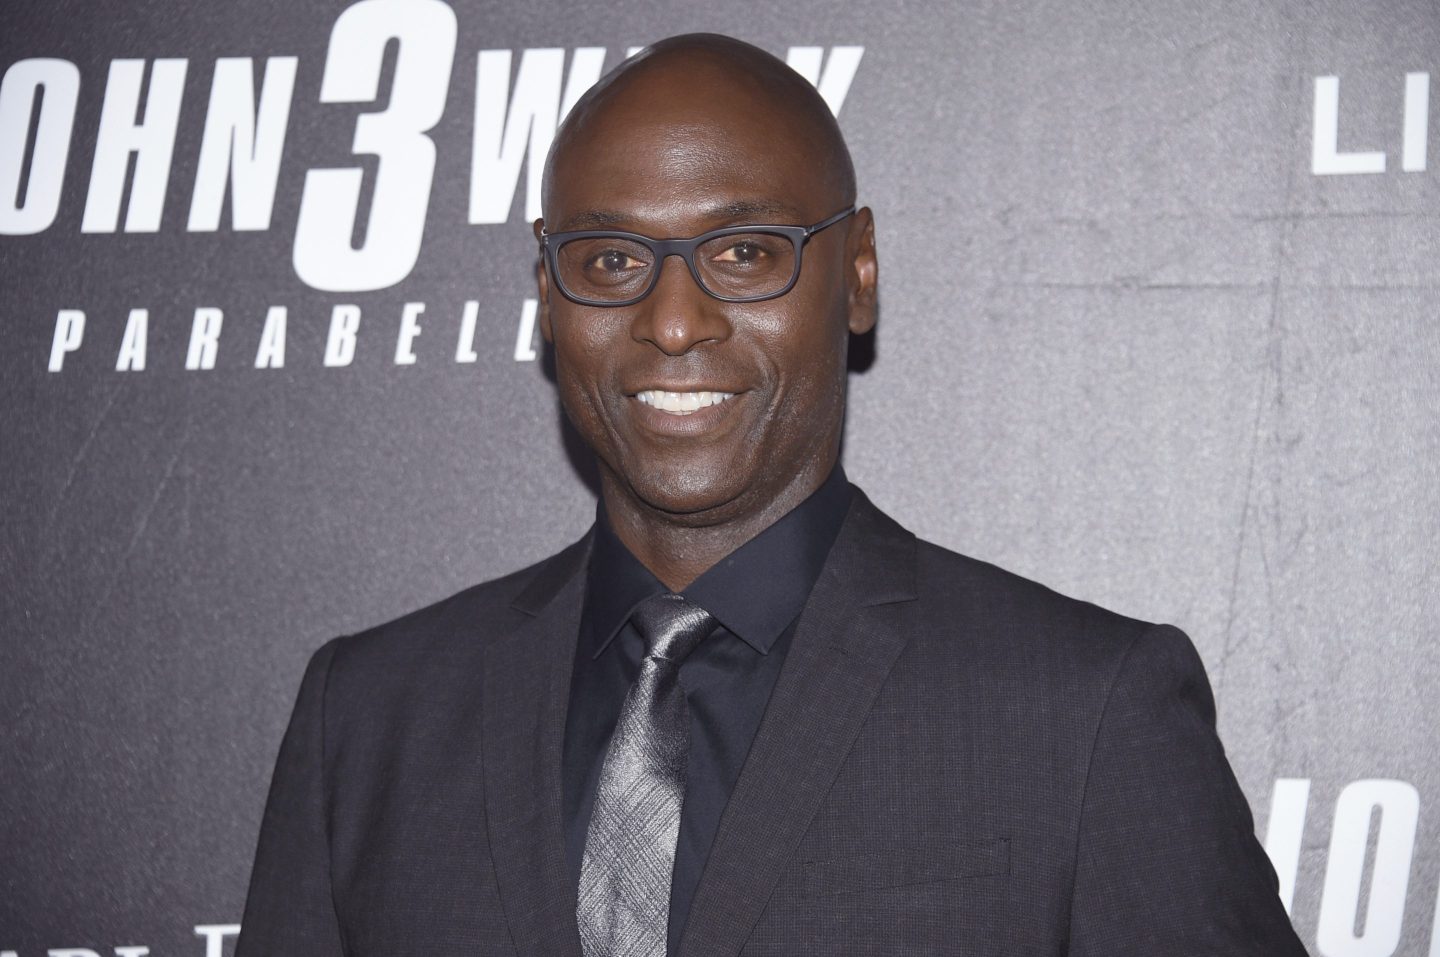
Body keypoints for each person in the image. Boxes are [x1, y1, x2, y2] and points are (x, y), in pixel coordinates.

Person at [236, 33, 1310, 957]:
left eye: (746, 253)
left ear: (858, 273)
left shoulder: (1083, 714)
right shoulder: (367, 719)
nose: (672, 321)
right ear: (548, 293)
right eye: (609, 261)